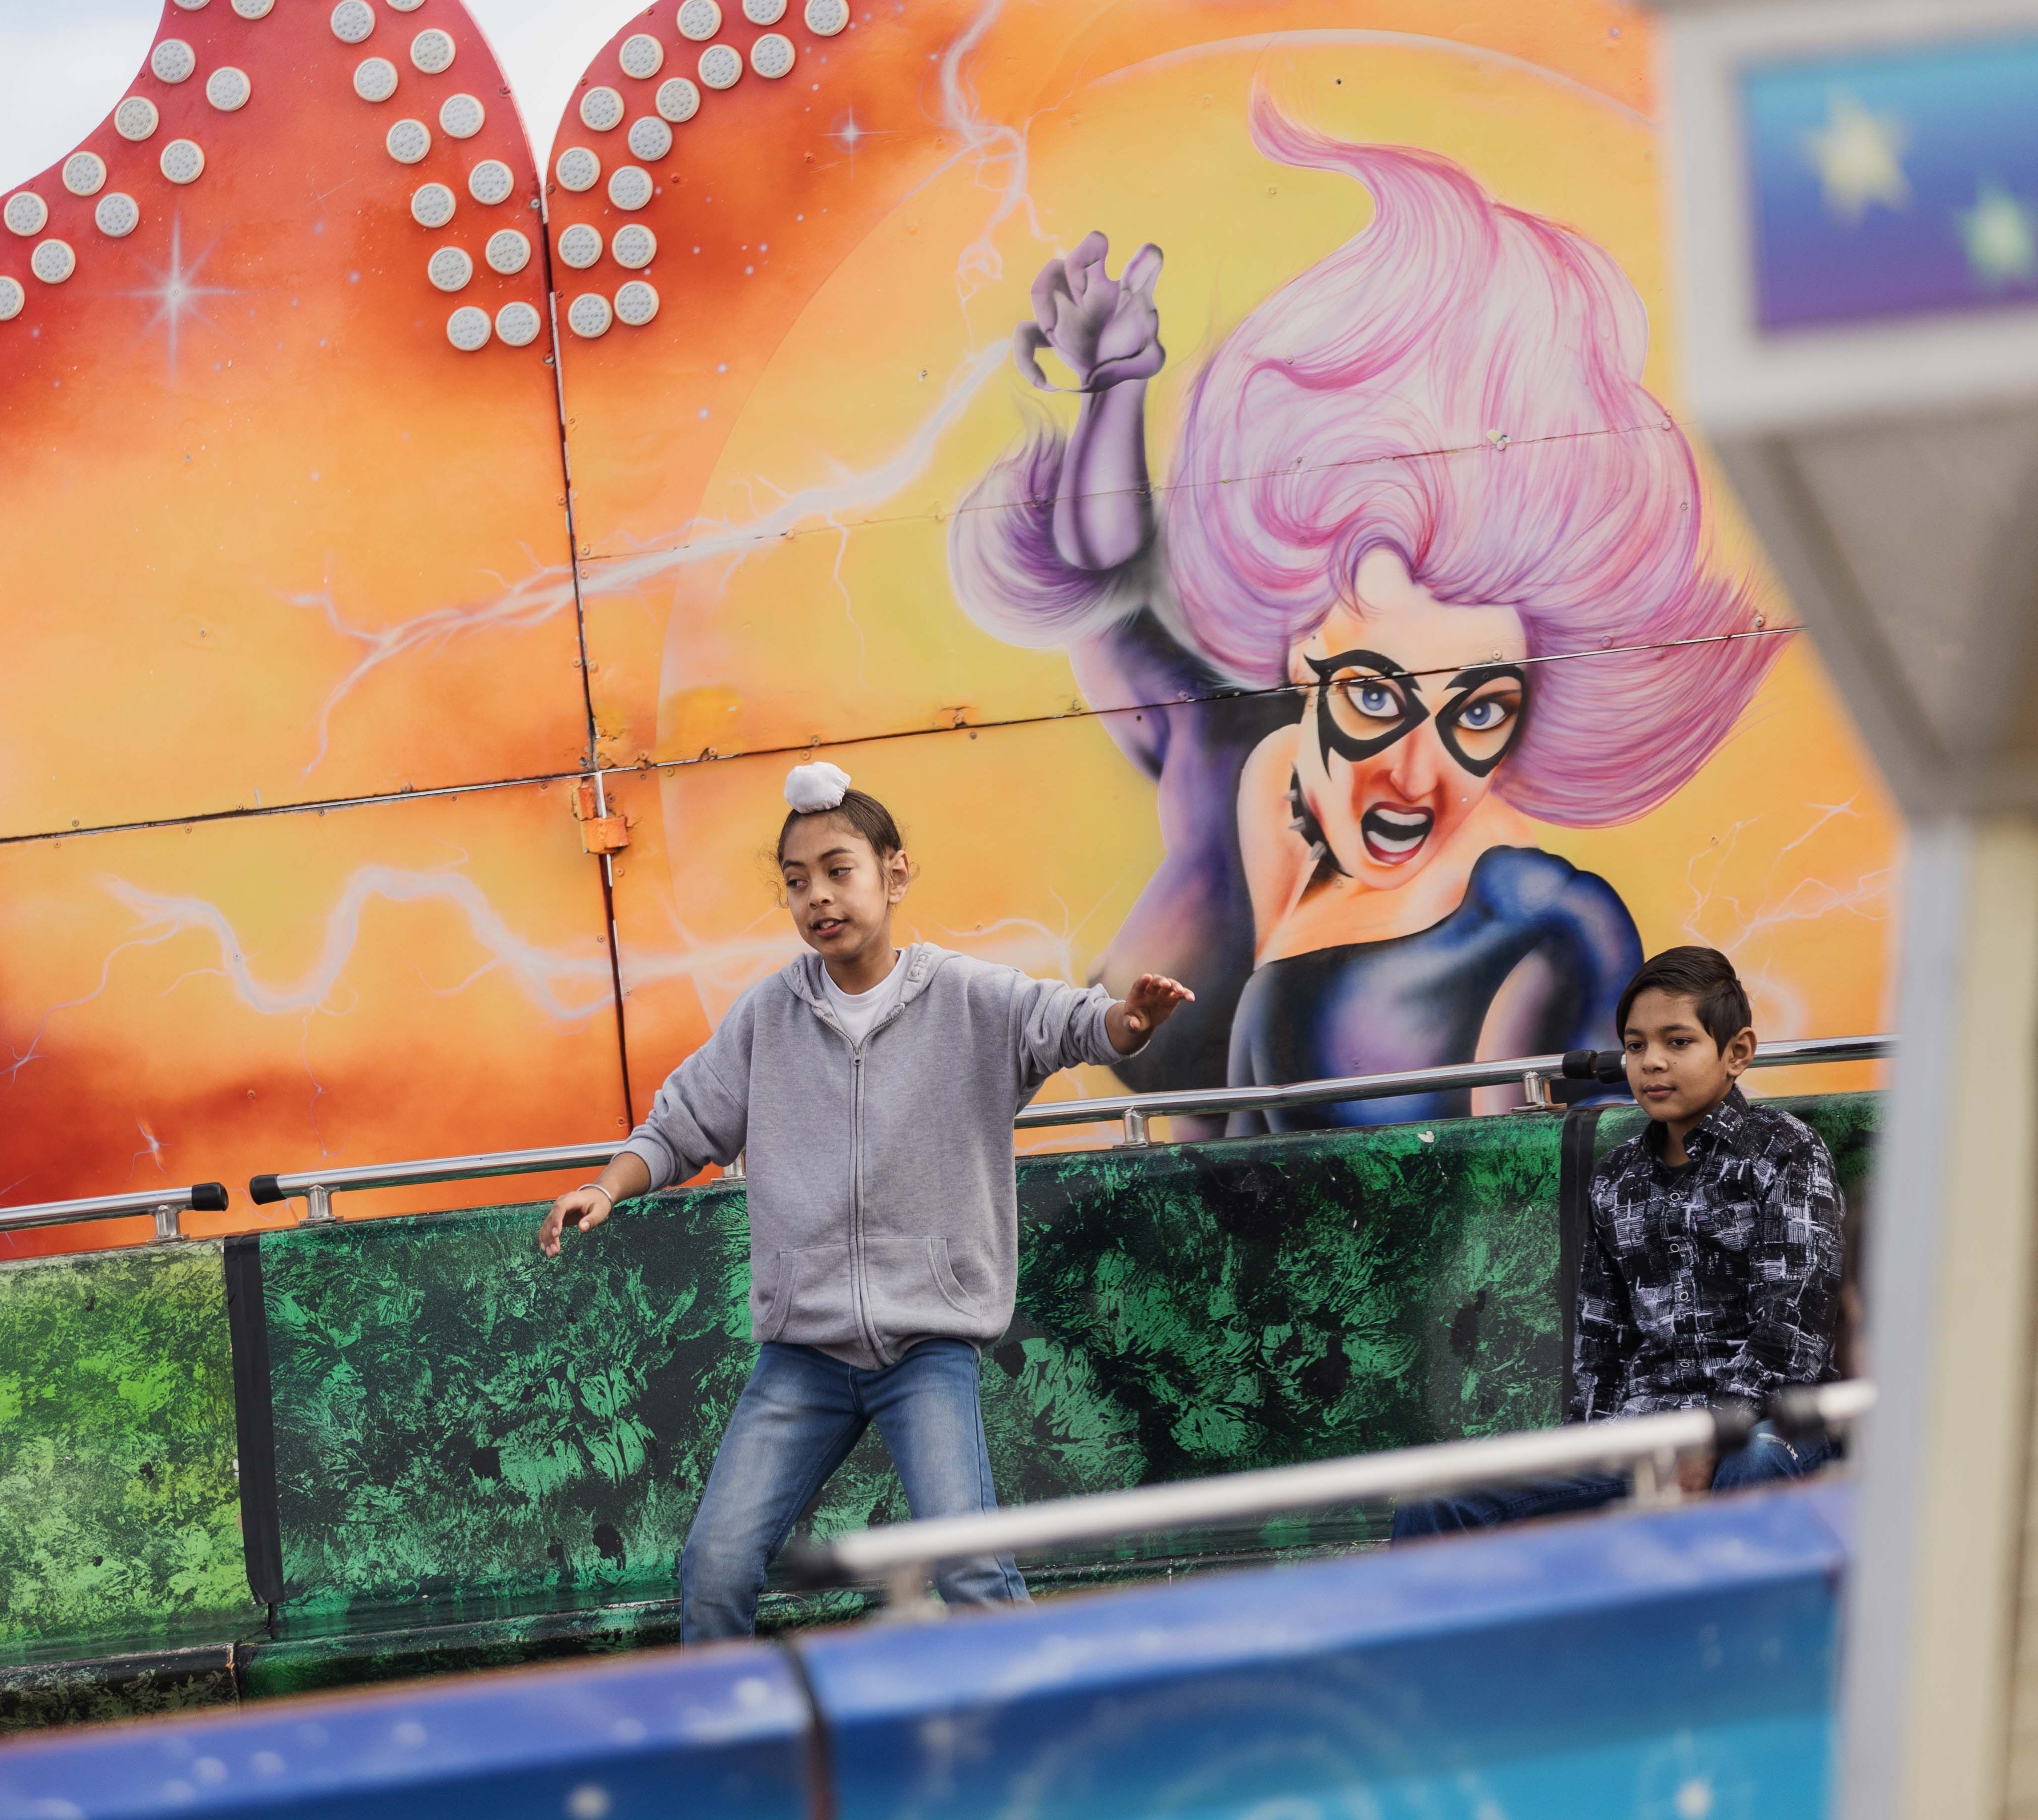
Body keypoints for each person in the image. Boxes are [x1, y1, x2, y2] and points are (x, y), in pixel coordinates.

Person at [949, 89, 1785, 1131]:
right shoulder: (1229, 765)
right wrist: (1116, 385)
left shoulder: (1539, 919)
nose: (1416, 776)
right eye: (1376, 697)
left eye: (1479, 710)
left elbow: (1551, 1188)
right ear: (1304, 658)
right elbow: (1107, 584)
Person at [537, 761, 1193, 1637]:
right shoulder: (766, 1017)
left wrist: (1129, 1023)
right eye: (796, 881)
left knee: (968, 1564)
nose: (818, 896)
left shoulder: (968, 996)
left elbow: (1069, 1022)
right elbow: (679, 1124)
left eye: (838, 870)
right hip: (802, 1357)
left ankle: (1042, 1710)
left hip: (926, 1346)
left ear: (894, 872)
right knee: (714, 1567)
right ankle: (728, 1725)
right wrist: (604, 1186)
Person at [1393, 946, 1846, 1536]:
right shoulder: (1618, 1178)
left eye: (1678, 1042)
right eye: (1635, 1046)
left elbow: (1792, 1337)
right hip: (1645, 1433)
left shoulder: (1785, 1153)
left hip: (1768, 1422)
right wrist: (1584, 1455)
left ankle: (1730, 1599)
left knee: (1754, 1461)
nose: (1652, 1062)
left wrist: (1711, 1436)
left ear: (1737, 1053)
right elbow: (1601, 1347)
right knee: (1440, 1495)